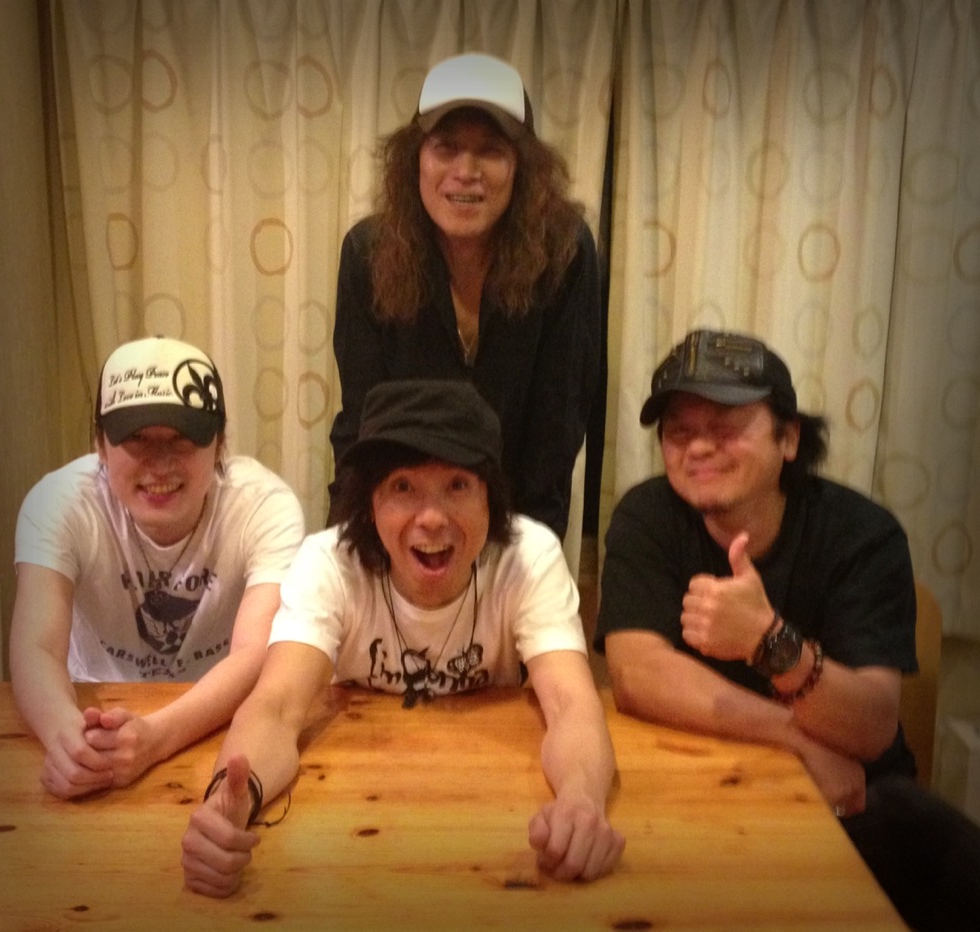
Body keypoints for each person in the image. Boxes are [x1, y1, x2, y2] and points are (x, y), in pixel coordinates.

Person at [594, 329, 980, 931]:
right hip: (703, 783)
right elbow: (638, 673)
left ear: (790, 437)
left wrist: (769, 641)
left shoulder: (862, 535)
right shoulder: (648, 517)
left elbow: (872, 726)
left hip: (853, 798)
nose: (698, 447)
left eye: (725, 427)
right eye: (678, 431)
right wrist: (797, 742)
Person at [181, 379, 624, 896]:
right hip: (348, 823)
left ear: (490, 499)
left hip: (488, 817)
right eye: (403, 487)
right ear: (370, 503)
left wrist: (580, 801)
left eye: (457, 485)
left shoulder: (529, 558)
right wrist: (228, 804)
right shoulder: (329, 563)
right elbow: (276, 706)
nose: (431, 518)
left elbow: (572, 703)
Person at [10, 336, 305, 800]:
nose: (161, 464)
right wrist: (68, 741)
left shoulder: (265, 506)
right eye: (136, 439)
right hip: (92, 711)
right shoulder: (59, 503)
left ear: (220, 444)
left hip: (216, 721)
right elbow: (35, 646)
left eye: (183, 439)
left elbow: (256, 652)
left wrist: (156, 739)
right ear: (100, 446)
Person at [329, 52, 601, 540]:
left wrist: (527, 561)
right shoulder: (367, 253)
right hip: (400, 526)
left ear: (522, 167)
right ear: (415, 158)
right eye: (446, 147)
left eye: (491, 150)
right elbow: (361, 428)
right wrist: (349, 547)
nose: (465, 170)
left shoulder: (565, 252)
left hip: (515, 524)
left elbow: (555, 437)